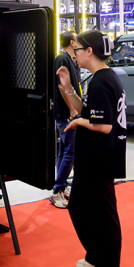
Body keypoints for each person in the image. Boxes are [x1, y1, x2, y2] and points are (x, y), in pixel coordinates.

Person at [57, 30, 126, 267]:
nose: (74, 53)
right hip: (91, 159)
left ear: (89, 51)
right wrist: (67, 88)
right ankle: (95, 255)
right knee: (78, 207)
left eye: (77, 49)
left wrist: (79, 122)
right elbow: (85, 110)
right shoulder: (100, 78)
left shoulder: (101, 81)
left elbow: (103, 125)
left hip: (100, 159)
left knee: (103, 217)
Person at [50, 31, 81, 209]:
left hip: (65, 112)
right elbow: (62, 86)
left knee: (64, 151)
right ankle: (58, 190)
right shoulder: (62, 59)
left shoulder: (66, 59)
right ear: (72, 43)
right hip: (65, 113)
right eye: (76, 40)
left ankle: (61, 186)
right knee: (70, 151)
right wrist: (72, 108)